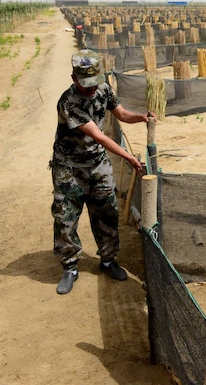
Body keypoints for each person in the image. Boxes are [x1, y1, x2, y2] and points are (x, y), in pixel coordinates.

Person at [51, 49, 154, 295]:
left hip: (97, 164)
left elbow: (121, 114)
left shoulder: (104, 89)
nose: (91, 90)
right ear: (74, 78)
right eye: (86, 86)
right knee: (66, 218)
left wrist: (141, 117)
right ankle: (70, 266)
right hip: (69, 167)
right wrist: (129, 157)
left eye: (94, 84)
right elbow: (98, 135)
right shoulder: (68, 102)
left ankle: (108, 260)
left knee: (107, 213)